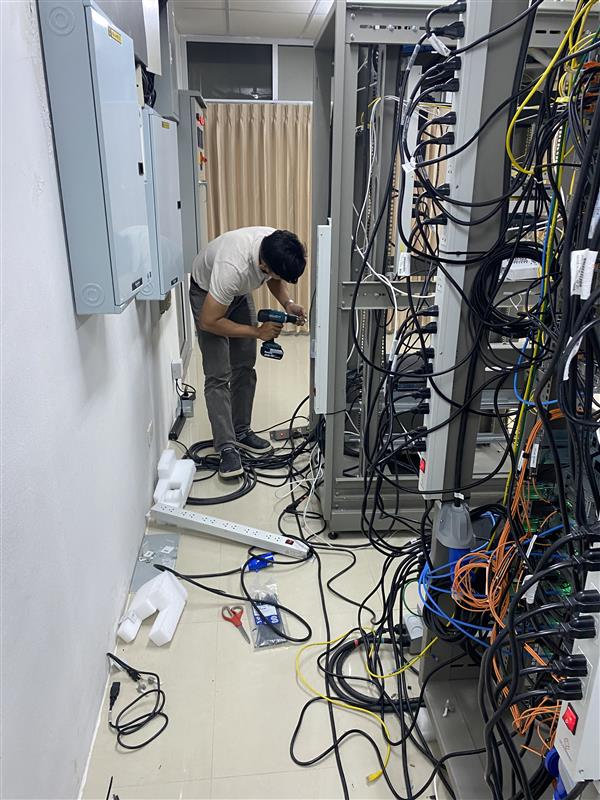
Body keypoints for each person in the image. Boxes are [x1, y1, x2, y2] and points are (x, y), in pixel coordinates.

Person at [189, 227, 307, 479]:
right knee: (218, 374)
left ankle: (241, 430)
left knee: (244, 365)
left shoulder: (274, 244)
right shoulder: (233, 268)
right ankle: (226, 447)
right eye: (273, 272)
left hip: (238, 295)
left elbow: (274, 279)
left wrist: (288, 304)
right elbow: (209, 321)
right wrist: (257, 332)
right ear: (264, 266)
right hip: (207, 294)